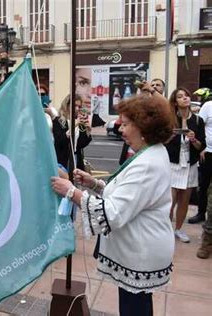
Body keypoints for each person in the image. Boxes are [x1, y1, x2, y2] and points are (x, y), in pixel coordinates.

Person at [51, 85, 175, 316]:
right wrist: (94, 184)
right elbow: (129, 196)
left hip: (140, 252)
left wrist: (71, 191)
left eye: (126, 124)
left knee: (134, 309)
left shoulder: (148, 162)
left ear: (144, 127)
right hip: (137, 249)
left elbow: (111, 214)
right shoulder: (148, 152)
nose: (121, 128)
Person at [165, 88, 206, 243]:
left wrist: (194, 139)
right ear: (175, 102)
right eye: (180, 97)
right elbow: (161, 142)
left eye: (186, 95)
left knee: (184, 199)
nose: (185, 98)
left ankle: (179, 229)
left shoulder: (197, 120)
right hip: (172, 163)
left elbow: (201, 147)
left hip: (190, 164)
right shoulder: (169, 119)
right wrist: (171, 136)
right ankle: (166, 228)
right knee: (170, 199)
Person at [52, 94, 92, 171]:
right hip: (62, 159)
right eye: (74, 105)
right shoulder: (58, 121)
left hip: (76, 158)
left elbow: (82, 144)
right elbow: (59, 141)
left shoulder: (79, 121)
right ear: (67, 105)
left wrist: (88, 131)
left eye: (79, 106)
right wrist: (74, 125)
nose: (77, 109)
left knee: (75, 182)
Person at [191, 92, 212, 224]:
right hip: (208, 153)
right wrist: (202, 147)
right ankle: (201, 213)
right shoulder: (208, 106)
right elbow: (199, 127)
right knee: (203, 185)